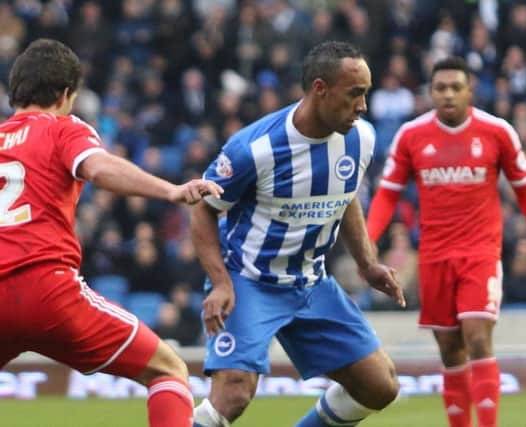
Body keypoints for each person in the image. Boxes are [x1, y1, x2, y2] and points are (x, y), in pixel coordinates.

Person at [0, 39, 223, 427]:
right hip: (48, 291)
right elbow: (99, 168)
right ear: (67, 93)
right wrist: (170, 189)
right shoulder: (62, 128)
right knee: (168, 369)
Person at [190, 41, 404, 427]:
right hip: (250, 281)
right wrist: (221, 283)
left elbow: (345, 195)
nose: (363, 106)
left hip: (310, 282)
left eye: (366, 94)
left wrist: (368, 263)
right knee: (234, 392)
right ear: (320, 89)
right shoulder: (254, 148)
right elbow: (203, 211)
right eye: (355, 93)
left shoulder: (361, 138)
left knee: (380, 385)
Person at [366, 56, 526, 427]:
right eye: (440, 88)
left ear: (470, 91)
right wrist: (367, 249)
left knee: (477, 336)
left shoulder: (497, 131)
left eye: (455, 87)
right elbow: (386, 195)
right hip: (434, 257)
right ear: (430, 91)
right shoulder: (412, 135)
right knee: (449, 349)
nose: (447, 95)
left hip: (480, 253)